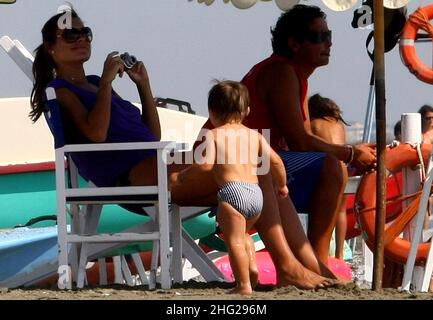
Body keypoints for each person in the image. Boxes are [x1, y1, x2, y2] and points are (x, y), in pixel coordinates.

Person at [31, 8, 335, 290]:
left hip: (156, 162)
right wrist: (109, 83)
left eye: (86, 33)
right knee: (254, 165)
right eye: (71, 34)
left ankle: (303, 265)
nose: (81, 39)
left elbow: (151, 134)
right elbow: (96, 135)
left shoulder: (96, 84)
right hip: (134, 176)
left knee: (257, 163)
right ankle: (288, 267)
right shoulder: (61, 90)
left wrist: (143, 86)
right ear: (51, 47)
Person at [184, 4, 376, 265]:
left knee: (328, 167)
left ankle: (309, 262)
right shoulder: (281, 73)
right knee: (332, 169)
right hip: (230, 168)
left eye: (329, 36)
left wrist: (354, 152)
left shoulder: (292, 74)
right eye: (319, 37)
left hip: (247, 166)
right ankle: (316, 262)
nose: (328, 44)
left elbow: (305, 139)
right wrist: (351, 154)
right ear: (294, 44)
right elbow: (300, 140)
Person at [201, 80, 288, 295]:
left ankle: (243, 285)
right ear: (247, 111)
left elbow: (205, 165)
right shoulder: (255, 136)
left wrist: (185, 175)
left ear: (212, 112)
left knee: (234, 242)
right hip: (256, 194)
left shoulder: (212, 135)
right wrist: (283, 184)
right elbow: (276, 161)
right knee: (244, 235)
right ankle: (251, 269)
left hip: (232, 193)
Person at [308, 93, 348, 260]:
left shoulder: (313, 124)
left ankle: (317, 250)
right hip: (343, 167)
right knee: (341, 211)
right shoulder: (338, 125)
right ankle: (340, 254)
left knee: (317, 210)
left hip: (326, 168)